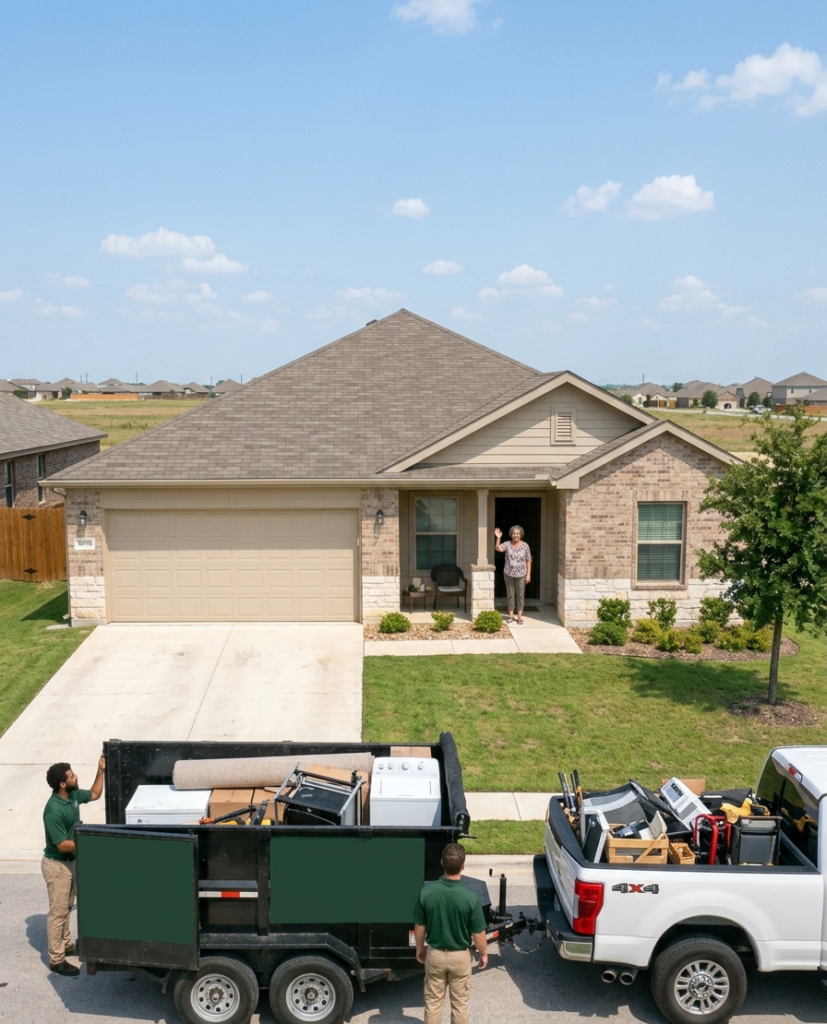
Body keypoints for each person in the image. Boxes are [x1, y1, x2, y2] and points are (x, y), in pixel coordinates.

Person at [41, 757, 105, 976]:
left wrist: (100, 770)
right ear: (62, 784)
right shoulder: (53, 810)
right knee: (57, 913)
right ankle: (56, 960)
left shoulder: (73, 796)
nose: (75, 776)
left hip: (70, 862)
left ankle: (67, 945)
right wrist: (90, 842)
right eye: (71, 776)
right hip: (57, 865)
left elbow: (95, 794)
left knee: (67, 906)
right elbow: (62, 845)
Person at [414, 843, 488, 1024]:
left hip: (435, 955)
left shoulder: (426, 893)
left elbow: (420, 925)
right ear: (462, 866)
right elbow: (478, 934)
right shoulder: (470, 898)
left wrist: (420, 948)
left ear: (442, 863)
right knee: (460, 1005)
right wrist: (483, 954)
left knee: (433, 1003)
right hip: (460, 957)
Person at [494, 525, 532, 624]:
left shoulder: (525, 546)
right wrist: (498, 538)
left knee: (520, 595)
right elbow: (498, 548)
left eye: (517, 533)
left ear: (521, 535)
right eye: (514, 533)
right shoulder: (507, 544)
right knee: (510, 595)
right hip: (509, 574)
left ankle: (519, 617)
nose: (515, 535)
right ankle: (510, 616)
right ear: (511, 534)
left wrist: (528, 574)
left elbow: (528, 560)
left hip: (521, 575)